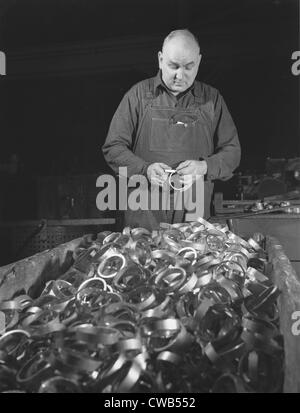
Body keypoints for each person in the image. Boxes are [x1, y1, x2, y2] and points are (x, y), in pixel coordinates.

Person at [102, 29, 241, 230]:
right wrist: (145, 170)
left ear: (199, 62)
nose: (179, 75)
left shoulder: (212, 99)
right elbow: (113, 147)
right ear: (160, 59)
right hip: (144, 215)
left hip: (194, 214)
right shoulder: (138, 96)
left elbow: (233, 152)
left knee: (194, 260)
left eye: (188, 67)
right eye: (173, 66)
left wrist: (203, 167)